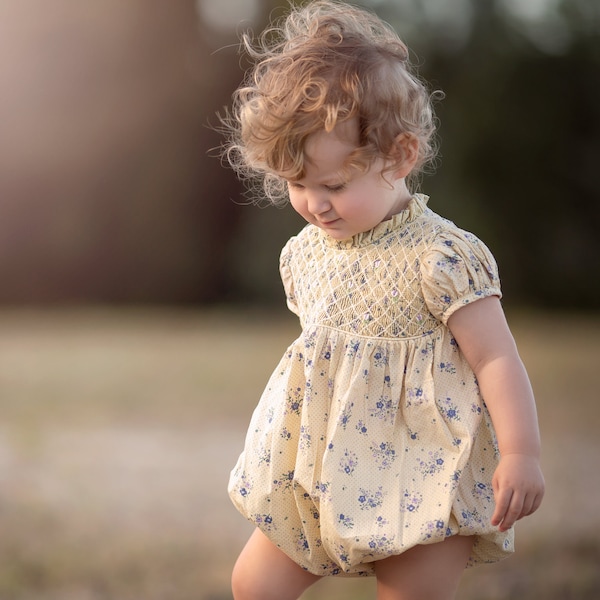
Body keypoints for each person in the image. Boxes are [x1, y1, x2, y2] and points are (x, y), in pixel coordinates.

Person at [221, 1, 545, 599]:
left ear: (399, 157)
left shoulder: (441, 258)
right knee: (252, 585)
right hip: (323, 468)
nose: (315, 203)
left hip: (423, 467)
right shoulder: (307, 252)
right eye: (297, 184)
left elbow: (497, 357)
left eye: (333, 185)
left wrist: (521, 452)